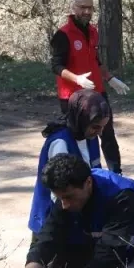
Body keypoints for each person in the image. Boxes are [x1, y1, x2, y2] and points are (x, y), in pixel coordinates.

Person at [50, 0, 129, 173]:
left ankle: (116, 174)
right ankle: (82, 175)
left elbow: (95, 60)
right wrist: (77, 79)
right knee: (80, 136)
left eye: (90, 8)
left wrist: (110, 78)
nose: (86, 11)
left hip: (96, 92)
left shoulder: (93, 31)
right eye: (82, 7)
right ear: (74, 8)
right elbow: (55, 66)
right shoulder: (63, 34)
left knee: (107, 132)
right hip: (73, 96)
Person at [28, 89, 108, 234]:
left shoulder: (89, 137)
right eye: (96, 127)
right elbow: (59, 193)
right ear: (82, 120)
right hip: (54, 221)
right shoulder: (60, 142)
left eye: (103, 127)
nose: (100, 132)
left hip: (78, 215)